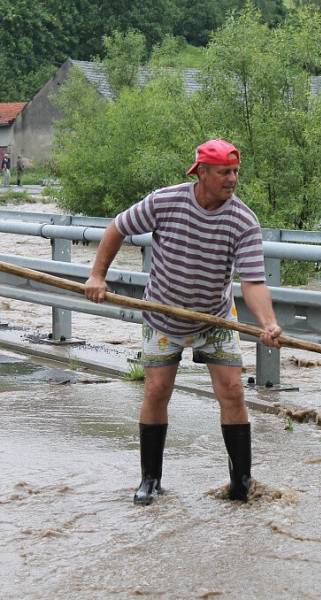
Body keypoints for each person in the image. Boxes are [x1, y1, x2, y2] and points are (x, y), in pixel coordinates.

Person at [85, 139, 282, 505]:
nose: (232, 179)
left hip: (215, 317)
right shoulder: (166, 201)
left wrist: (268, 323)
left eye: (236, 172)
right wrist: (98, 276)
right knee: (157, 390)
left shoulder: (243, 220)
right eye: (225, 172)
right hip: (163, 313)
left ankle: (241, 484)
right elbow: (117, 228)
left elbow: (253, 281)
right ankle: (150, 480)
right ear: (202, 173)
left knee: (233, 391)